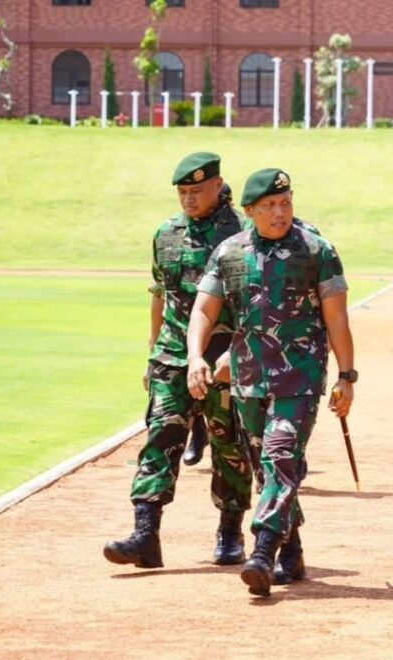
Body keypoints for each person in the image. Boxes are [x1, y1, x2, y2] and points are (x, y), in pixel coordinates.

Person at [187, 168, 355, 597]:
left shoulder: (316, 249)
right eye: (269, 207)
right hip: (247, 379)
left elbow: (336, 317)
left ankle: (263, 550)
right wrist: (194, 357)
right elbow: (205, 310)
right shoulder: (229, 252)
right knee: (270, 468)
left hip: (300, 376)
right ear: (249, 211)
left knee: (281, 454)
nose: (280, 213)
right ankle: (292, 549)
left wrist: (347, 376)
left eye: (286, 203)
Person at [104, 152, 251, 569]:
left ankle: (230, 532)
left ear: (219, 185)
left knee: (229, 446)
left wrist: (238, 356)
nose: (188, 199)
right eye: (183, 193)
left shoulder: (242, 234)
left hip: (223, 358)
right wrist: (152, 355)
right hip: (172, 356)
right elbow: (160, 296)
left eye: (196, 191)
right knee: (159, 439)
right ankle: (145, 535)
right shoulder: (166, 233)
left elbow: (252, 305)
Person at [183, 184, 234, 468]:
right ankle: (198, 433)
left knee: (225, 400)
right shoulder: (184, 235)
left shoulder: (236, 236)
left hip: (225, 332)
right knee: (194, 392)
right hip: (188, 329)